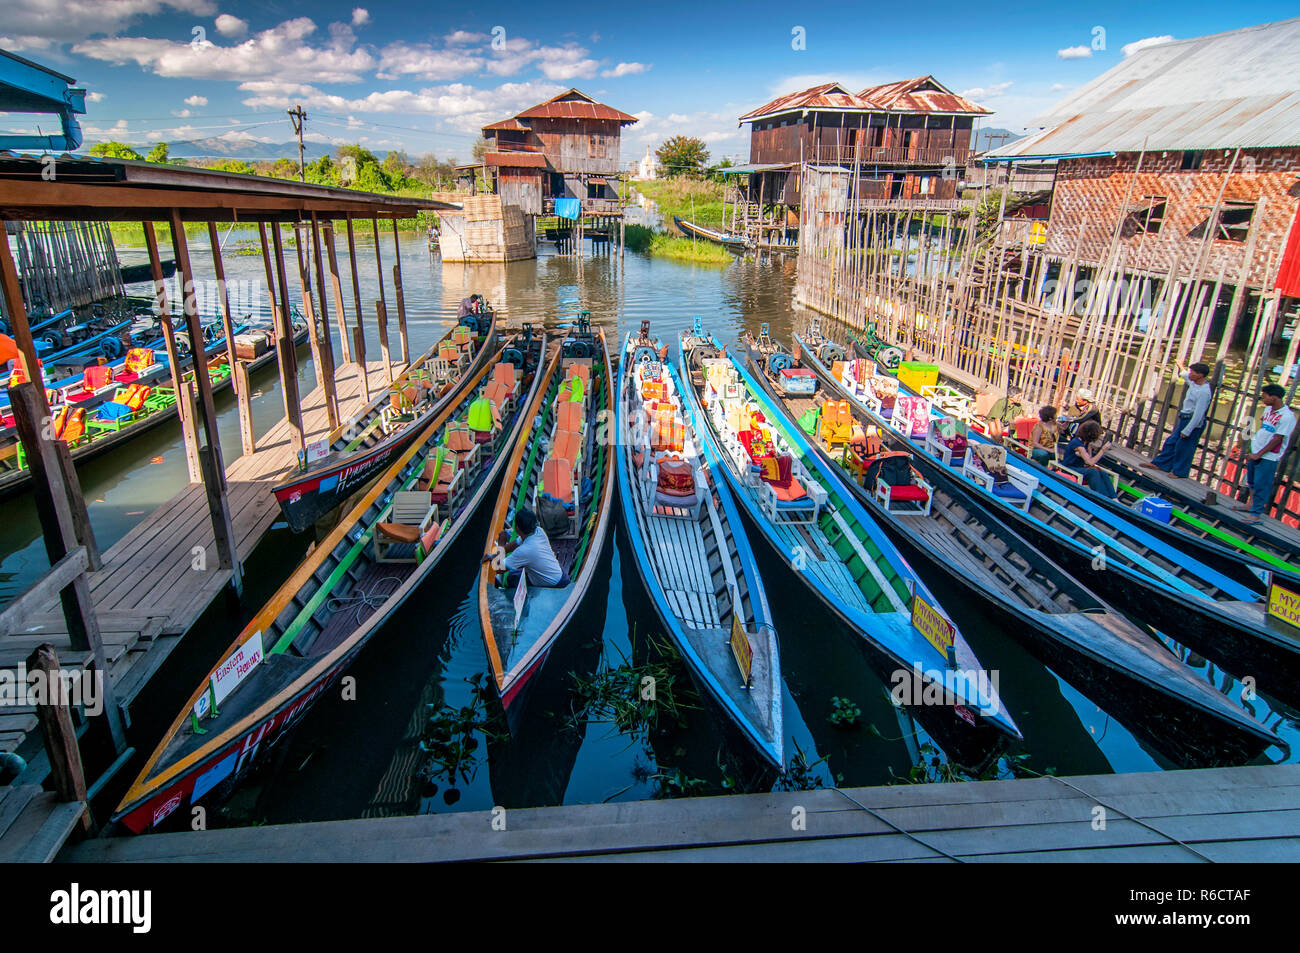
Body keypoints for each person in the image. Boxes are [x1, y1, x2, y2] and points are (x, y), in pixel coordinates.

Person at [1236, 383, 1295, 524]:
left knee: (1262, 484)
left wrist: (1259, 454)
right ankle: (1250, 504)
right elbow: (1264, 425)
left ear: (1274, 398)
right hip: (1256, 448)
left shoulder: (1287, 417)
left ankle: (1256, 514)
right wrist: (1254, 449)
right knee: (1251, 481)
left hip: (1269, 455)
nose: (1263, 399)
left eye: (1265, 397)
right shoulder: (1269, 409)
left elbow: (1277, 439)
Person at [1144, 361, 1212, 478]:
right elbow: (1185, 375)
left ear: (1200, 375)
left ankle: (1180, 472)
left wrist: (1188, 430)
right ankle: (1162, 464)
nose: (1190, 374)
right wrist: (1180, 365)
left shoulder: (1204, 392)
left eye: (1193, 373)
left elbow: (1199, 414)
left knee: (1184, 447)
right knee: (1171, 442)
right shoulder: (1195, 383)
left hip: (1193, 422)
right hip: (1185, 418)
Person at [482, 507, 569, 588]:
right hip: (558, 574)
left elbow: (499, 569)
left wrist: (501, 543)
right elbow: (513, 545)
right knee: (514, 574)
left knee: (511, 579)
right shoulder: (538, 531)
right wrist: (493, 556)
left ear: (517, 528)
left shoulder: (524, 551)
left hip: (555, 584)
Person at [1062, 420, 1116, 498]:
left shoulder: (1086, 444)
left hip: (1080, 467)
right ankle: (1102, 497)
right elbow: (1090, 462)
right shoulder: (1078, 444)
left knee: (1102, 473)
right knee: (1093, 472)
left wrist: (1088, 449)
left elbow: (1088, 460)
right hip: (1069, 468)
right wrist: (1103, 450)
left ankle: (1114, 498)